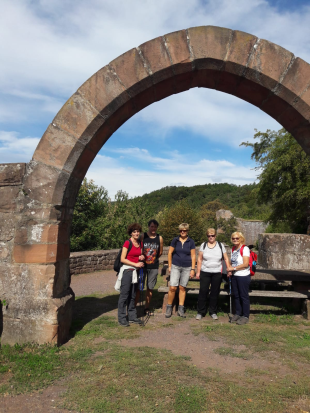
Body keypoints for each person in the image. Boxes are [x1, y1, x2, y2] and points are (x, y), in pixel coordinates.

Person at [195, 228, 230, 320]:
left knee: (215, 292)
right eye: (209, 236)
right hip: (205, 272)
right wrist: (198, 272)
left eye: (212, 235)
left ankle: (213, 311)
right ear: (207, 236)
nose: (211, 237)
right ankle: (201, 311)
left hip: (217, 272)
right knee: (203, 291)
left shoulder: (220, 245)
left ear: (215, 236)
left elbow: (226, 258)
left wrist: (229, 269)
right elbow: (199, 259)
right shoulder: (203, 245)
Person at [115, 223, 145, 327]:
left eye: (138, 231)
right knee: (124, 295)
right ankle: (122, 318)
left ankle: (132, 316)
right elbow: (122, 259)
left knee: (133, 295)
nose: (136, 233)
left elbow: (139, 255)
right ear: (131, 233)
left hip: (136, 272)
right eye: (134, 232)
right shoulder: (127, 243)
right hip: (127, 271)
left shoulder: (140, 243)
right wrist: (135, 263)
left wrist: (142, 257)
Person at [165, 223, 196, 318]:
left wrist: (193, 269)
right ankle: (169, 307)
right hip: (175, 265)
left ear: (187, 231)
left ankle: (181, 308)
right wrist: (170, 266)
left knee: (182, 287)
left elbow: (193, 255)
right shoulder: (175, 240)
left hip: (187, 267)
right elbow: (170, 253)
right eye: (181, 230)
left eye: (185, 230)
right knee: (173, 287)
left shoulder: (191, 242)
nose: (182, 232)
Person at [135, 219, 164, 315]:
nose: (153, 228)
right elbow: (139, 249)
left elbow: (159, 252)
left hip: (154, 266)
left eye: (155, 227)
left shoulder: (159, 238)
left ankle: (146, 308)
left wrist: (152, 259)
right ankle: (133, 308)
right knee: (139, 287)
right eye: (152, 226)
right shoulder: (143, 236)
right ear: (148, 227)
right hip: (143, 266)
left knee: (150, 288)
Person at [227, 231, 251, 325]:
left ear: (241, 239)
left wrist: (233, 268)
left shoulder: (244, 249)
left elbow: (245, 264)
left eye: (237, 238)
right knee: (236, 295)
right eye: (233, 238)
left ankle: (245, 316)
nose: (235, 240)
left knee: (243, 296)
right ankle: (238, 313)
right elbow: (232, 262)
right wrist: (230, 270)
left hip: (243, 276)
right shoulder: (233, 249)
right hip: (235, 276)